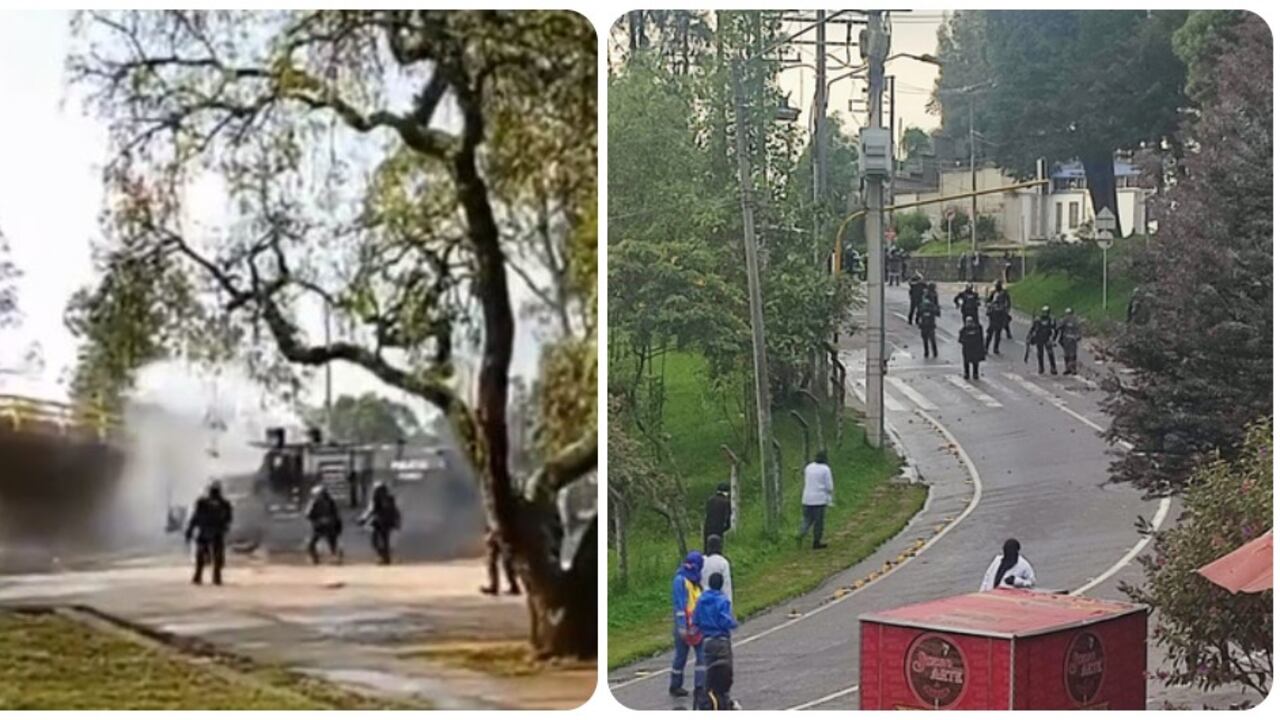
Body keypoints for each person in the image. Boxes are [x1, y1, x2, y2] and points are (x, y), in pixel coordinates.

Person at [693, 571, 738, 711]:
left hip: (707, 641)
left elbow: (696, 620)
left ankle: (708, 700)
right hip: (721, 639)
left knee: (710, 671)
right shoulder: (722, 600)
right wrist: (733, 623)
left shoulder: (701, 600)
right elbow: (724, 619)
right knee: (724, 672)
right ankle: (724, 700)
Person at [669, 551, 706, 699]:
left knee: (702, 656)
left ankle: (700, 684)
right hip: (685, 625)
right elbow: (680, 605)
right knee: (681, 656)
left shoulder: (696, 583)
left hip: (697, 625)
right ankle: (675, 685)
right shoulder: (680, 580)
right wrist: (682, 626)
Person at [186, 480, 233, 585]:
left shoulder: (223, 504)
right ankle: (201, 576)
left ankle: (212, 577)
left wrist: (190, 530)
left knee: (214, 557)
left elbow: (228, 519)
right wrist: (190, 530)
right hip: (208, 532)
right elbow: (196, 517)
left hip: (212, 532)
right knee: (203, 557)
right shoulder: (206, 503)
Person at [798, 450, 833, 550]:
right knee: (818, 522)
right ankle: (816, 542)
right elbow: (829, 486)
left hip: (806, 498)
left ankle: (801, 533)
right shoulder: (825, 469)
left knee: (807, 519)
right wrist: (829, 496)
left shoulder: (808, 467)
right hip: (819, 499)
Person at [359, 481, 401, 565]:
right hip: (387, 523)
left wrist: (362, 519)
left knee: (374, 541)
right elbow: (395, 511)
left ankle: (381, 556)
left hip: (378, 522)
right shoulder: (390, 498)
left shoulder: (375, 498)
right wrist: (397, 521)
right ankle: (386, 557)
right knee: (385, 540)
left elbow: (370, 510)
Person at [305, 484, 344, 565]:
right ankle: (335, 557)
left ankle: (315, 558)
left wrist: (315, 520)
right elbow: (336, 515)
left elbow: (308, 514)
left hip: (321, 525)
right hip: (329, 525)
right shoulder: (330, 501)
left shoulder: (314, 502)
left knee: (312, 544)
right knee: (332, 543)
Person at [481, 525, 520, 595]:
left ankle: (513, 586)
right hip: (496, 531)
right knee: (492, 560)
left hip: (502, 532)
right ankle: (494, 586)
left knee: (506, 561)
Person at [701, 534, 733, 605]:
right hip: (719, 601)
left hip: (704, 600)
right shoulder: (723, 562)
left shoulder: (703, 561)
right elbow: (726, 585)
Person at [1027, 306, 1058, 375]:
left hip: (1047, 338)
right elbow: (1032, 329)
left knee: (1050, 353)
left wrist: (1053, 339)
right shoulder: (1038, 320)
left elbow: (1055, 330)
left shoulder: (1051, 320)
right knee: (1040, 354)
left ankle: (1053, 368)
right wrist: (1029, 336)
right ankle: (1041, 368)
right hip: (1039, 339)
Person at [984, 280, 1011, 355]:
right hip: (993, 315)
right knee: (990, 332)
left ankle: (996, 348)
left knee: (998, 333)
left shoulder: (1004, 293)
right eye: (996, 285)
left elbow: (1008, 303)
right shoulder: (993, 293)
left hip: (1000, 315)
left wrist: (1006, 309)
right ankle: (986, 348)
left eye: (998, 285)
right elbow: (988, 301)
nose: (997, 286)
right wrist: (988, 304)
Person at [703, 483, 731, 551]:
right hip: (719, 528)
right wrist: (726, 527)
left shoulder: (710, 500)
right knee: (717, 547)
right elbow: (728, 517)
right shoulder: (726, 502)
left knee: (707, 547)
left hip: (708, 527)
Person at [959, 316, 986, 380]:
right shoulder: (963, 330)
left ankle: (975, 373)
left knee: (975, 362)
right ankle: (967, 373)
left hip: (975, 348)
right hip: (967, 348)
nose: (969, 323)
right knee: (966, 362)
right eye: (967, 322)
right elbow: (960, 339)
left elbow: (980, 339)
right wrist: (965, 341)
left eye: (970, 322)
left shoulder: (977, 329)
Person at [1057, 308, 1083, 375]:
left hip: (1072, 339)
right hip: (1066, 339)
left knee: (1072, 354)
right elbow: (1059, 326)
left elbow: (1078, 329)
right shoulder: (1065, 320)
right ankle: (1068, 368)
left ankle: (1073, 368)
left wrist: (1078, 336)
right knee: (1067, 354)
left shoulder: (1075, 320)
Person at [918, 290, 940, 359]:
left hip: (928, 325)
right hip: (927, 325)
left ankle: (929, 352)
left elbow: (918, 314)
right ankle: (931, 352)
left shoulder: (924, 305)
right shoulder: (925, 306)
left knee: (928, 340)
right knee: (929, 340)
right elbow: (938, 313)